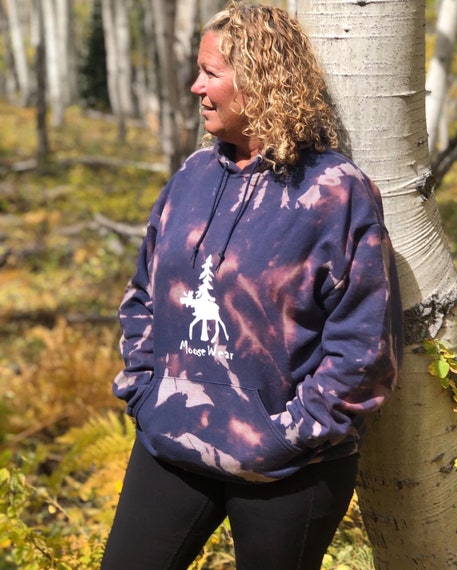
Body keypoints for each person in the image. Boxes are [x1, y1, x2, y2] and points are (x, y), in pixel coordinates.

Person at [101, 2, 403, 569]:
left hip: (290, 468)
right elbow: (142, 294)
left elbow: (365, 346)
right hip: (172, 438)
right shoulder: (191, 177)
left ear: (260, 80)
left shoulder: (334, 191)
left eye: (210, 73)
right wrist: (145, 392)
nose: (196, 87)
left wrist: (289, 433)